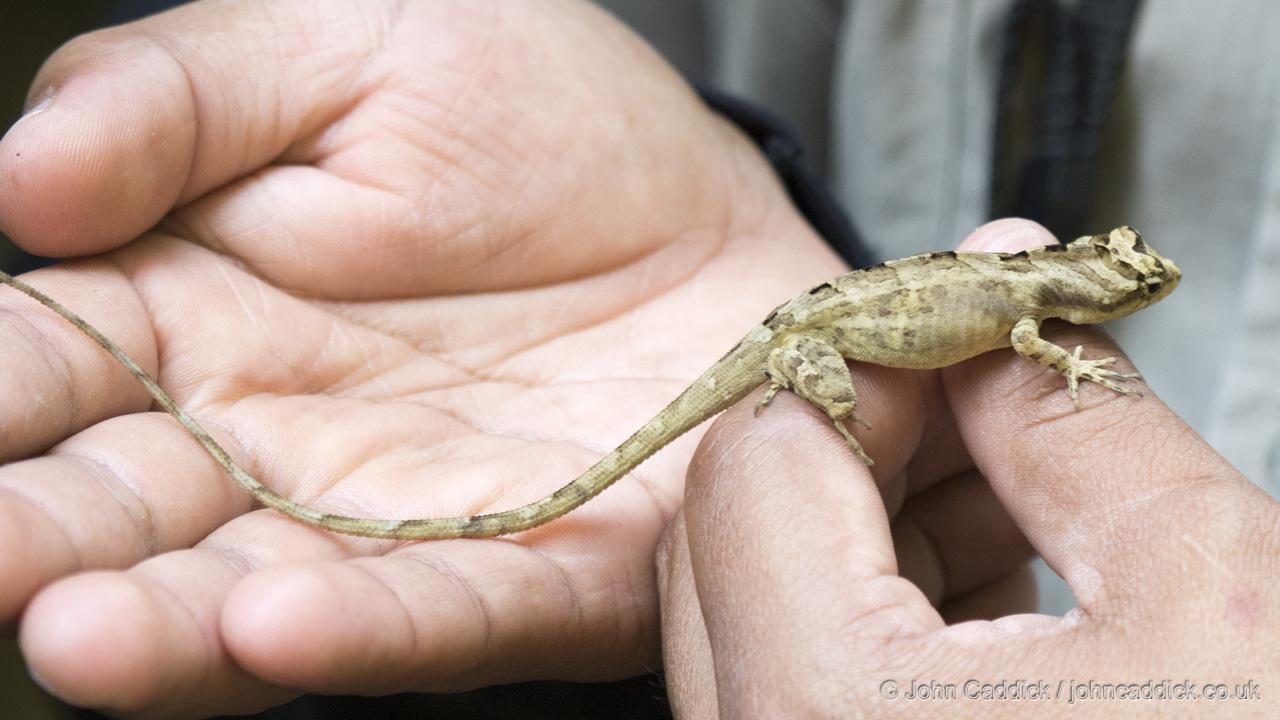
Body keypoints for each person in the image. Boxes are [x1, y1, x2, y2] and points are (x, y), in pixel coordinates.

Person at [0, 1, 1274, 716]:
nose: (1139, 288)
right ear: (1093, 272)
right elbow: (1028, 338)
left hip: (827, 319)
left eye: (1141, 283)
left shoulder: (1028, 309)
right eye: (1134, 276)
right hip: (811, 328)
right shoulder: (1030, 315)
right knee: (779, 420)